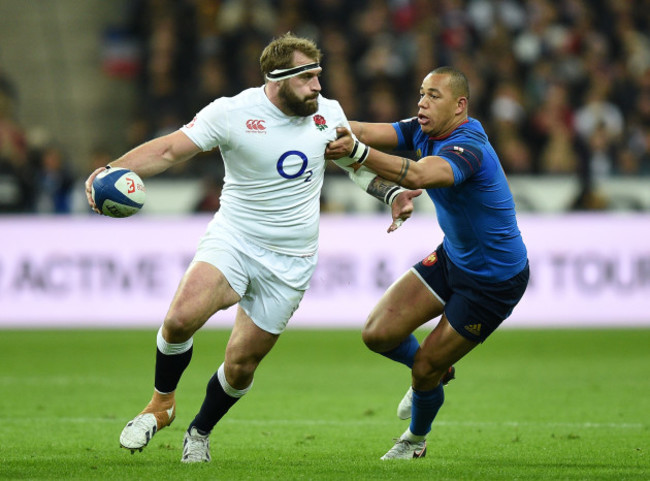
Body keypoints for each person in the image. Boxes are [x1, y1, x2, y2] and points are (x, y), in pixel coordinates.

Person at [84, 33, 419, 464]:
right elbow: (168, 150)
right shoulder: (232, 113)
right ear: (278, 79)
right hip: (235, 240)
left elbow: (352, 164)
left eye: (319, 76)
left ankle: (200, 430)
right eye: (308, 77)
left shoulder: (328, 114)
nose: (318, 86)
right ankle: (161, 404)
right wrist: (112, 169)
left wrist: (390, 195)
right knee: (180, 319)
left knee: (241, 366)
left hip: (292, 260)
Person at [325, 66, 529, 460]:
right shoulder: (424, 129)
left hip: (494, 282)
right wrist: (318, 126)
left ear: (460, 105)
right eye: (421, 93)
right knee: (377, 334)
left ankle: (414, 440)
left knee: (423, 369)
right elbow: (363, 130)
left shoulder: (469, 147)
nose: (422, 102)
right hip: (454, 257)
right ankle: (439, 371)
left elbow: (417, 173)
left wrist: (356, 153)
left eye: (434, 95)